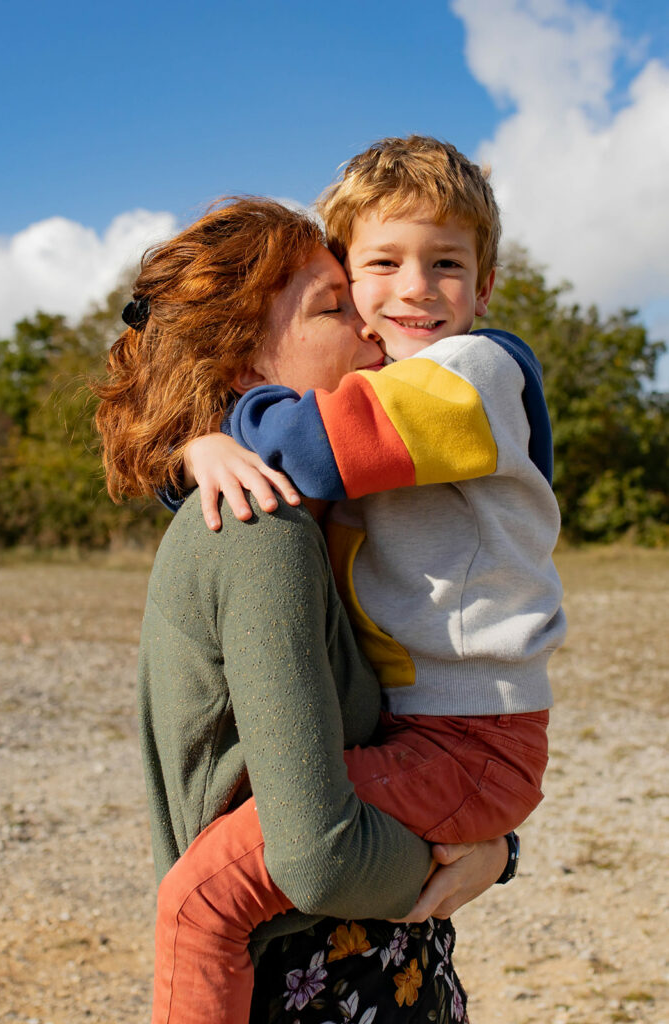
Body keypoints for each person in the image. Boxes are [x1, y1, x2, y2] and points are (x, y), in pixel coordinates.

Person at [159, 137, 566, 1021]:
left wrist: (219, 426)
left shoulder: (472, 373)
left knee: (202, 898)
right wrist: (196, 452)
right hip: (441, 736)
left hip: (464, 739)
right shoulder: (391, 389)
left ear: (485, 286)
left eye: (446, 264)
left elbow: (310, 447)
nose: (414, 289)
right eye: (379, 266)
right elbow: (237, 494)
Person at [94, 197, 509, 1024]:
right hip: (303, 991)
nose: (372, 323)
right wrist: (468, 858)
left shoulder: (338, 526)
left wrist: (495, 848)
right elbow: (318, 856)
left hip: (381, 977)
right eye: (335, 307)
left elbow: (393, 764)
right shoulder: (261, 531)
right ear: (245, 368)